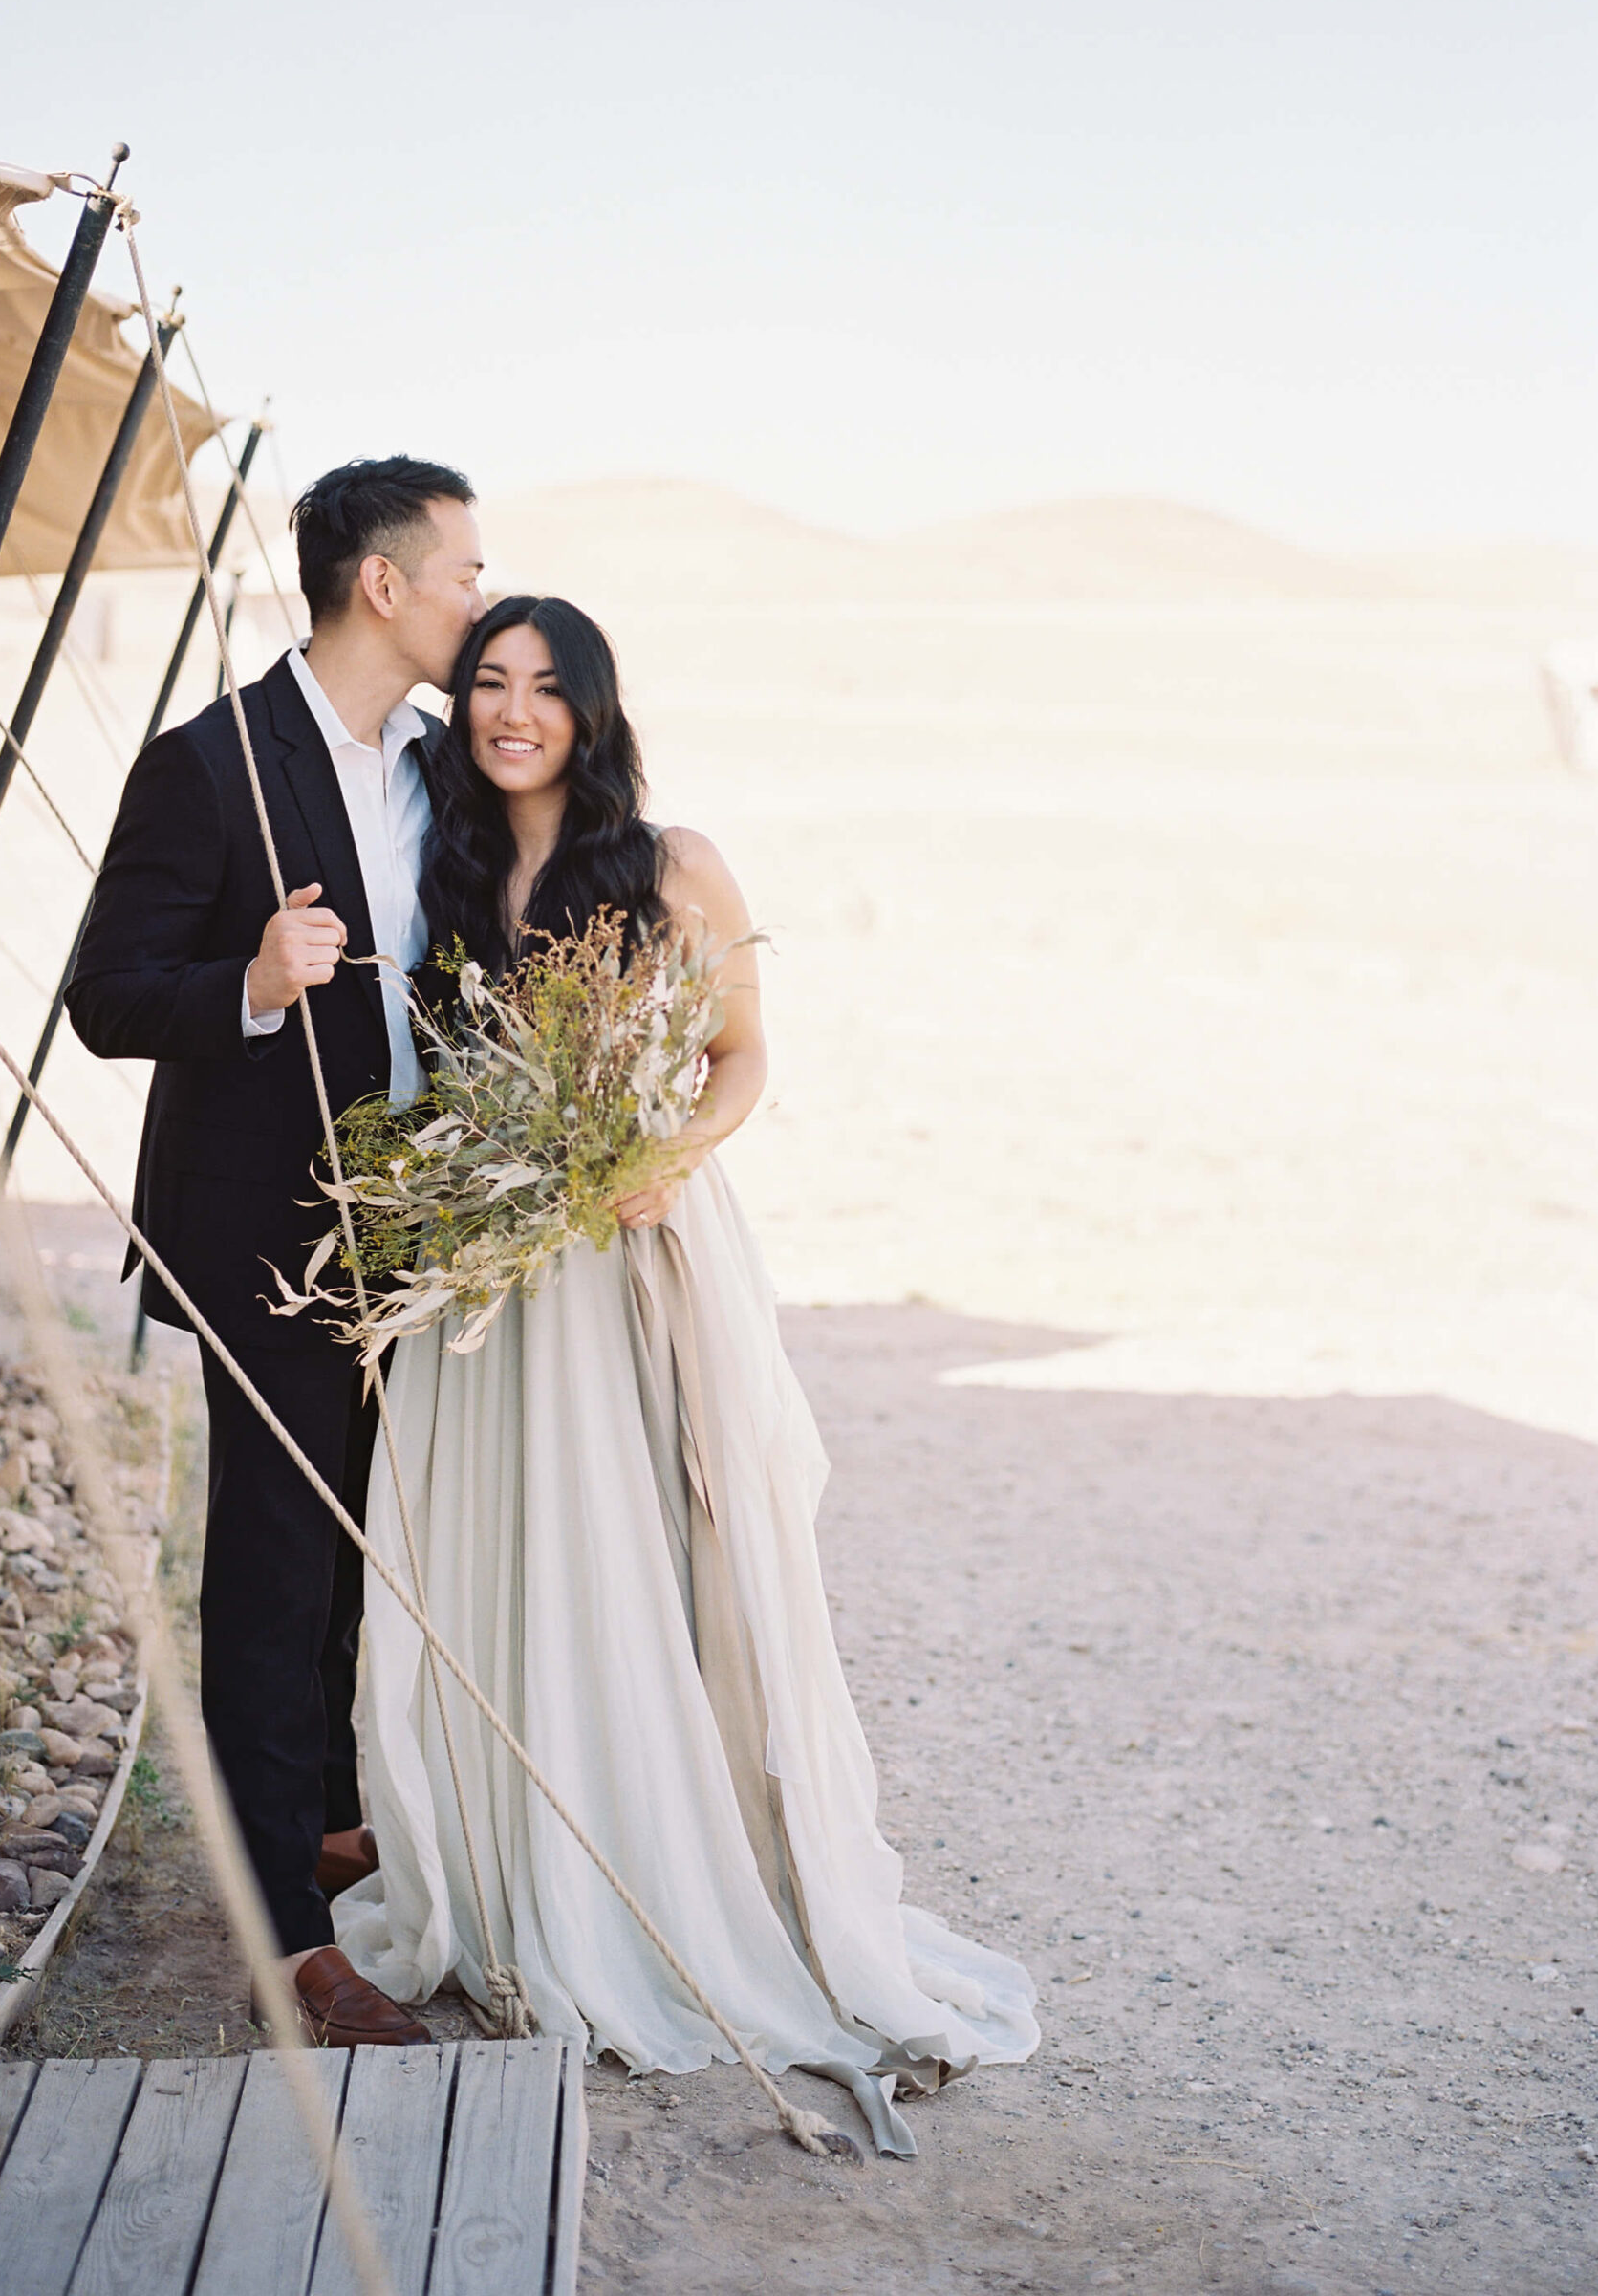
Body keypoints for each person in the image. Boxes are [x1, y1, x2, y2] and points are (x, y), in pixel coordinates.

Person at [335, 594, 1039, 2151]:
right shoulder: (439, 862)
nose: (514, 712)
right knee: (498, 1551)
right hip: (495, 1277)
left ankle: (671, 1866)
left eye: (546, 688)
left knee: (651, 1543)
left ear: (592, 711)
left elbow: (744, 1056)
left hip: (632, 1245)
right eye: (491, 685)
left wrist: (668, 1152)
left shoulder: (668, 863)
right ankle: (524, 1858)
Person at [66, 455, 485, 2047]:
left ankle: (321, 1812)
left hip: (419, 1232)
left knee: (362, 1551)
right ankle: (288, 1934)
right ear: (381, 583)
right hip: (264, 1237)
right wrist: (248, 978)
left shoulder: (442, 766)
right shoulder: (208, 762)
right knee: (271, 1565)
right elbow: (107, 993)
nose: (473, 595)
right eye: (458, 570)